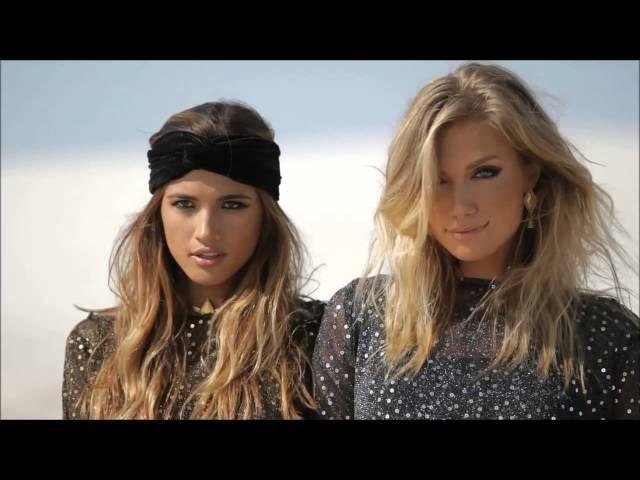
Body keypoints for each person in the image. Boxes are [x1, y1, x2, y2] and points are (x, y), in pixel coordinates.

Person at [312, 63, 639, 420]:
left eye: (484, 172)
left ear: (530, 171)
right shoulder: (360, 317)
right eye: (437, 179)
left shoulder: (605, 336)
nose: (460, 206)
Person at [63, 101, 324, 419]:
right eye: (185, 204)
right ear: (159, 213)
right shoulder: (99, 345)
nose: (206, 231)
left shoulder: (314, 337)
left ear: (265, 216)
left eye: (232, 205)